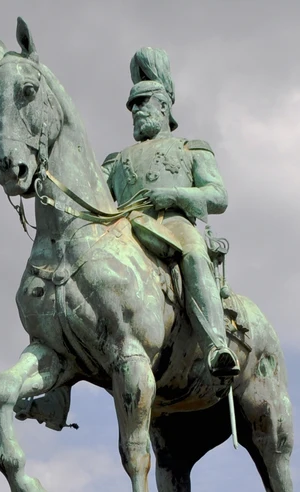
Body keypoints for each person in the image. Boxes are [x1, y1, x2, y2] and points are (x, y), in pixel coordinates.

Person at [102, 47, 239, 377]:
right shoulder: (115, 160)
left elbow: (218, 196)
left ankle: (216, 345)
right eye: (132, 106)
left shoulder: (191, 148)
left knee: (193, 254)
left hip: (173, 223)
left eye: (142, 104)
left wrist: (174, 194)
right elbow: (89, 192)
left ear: (163, 106)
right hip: (126, 231)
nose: (135, 112)